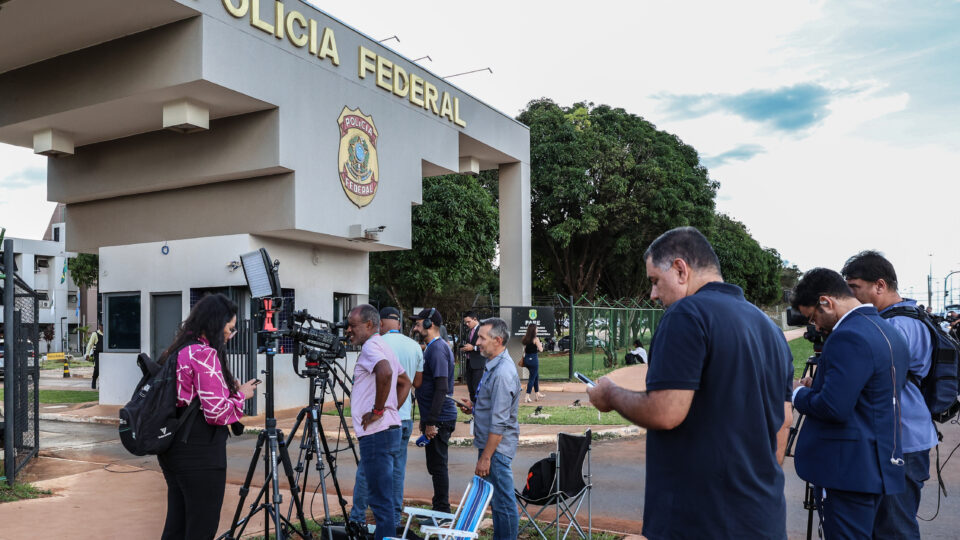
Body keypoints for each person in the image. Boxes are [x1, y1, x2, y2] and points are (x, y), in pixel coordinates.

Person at [586, 226, 793, 539]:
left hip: (700, 519)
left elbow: (665, 412)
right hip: (762, 517)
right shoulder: (769, 328)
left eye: (655, 280)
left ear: (681, 269)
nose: (653, 294)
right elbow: (783, 423)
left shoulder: (687, 313)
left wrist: (610, 394)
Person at [791, 268, 908, 539]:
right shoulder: (888, 330)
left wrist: (797, 393)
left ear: (826, 302)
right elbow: (869, 394)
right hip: (878, 464)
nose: (816, 327)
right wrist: (820, 386)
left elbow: (834, 407)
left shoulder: (847, 336)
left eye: (813, 317)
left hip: (846, 471)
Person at [842, 251, 936, 539]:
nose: (850, 295)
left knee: (894, 527)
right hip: (901, 437)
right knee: (885, 523)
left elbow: (871, 380)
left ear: (879, 285)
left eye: (855, 287)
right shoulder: (896, 320)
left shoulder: (898, 325)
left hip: (902, 441)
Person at [157, 293, 258, 540]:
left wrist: (224, 388)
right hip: (200, 452)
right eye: (230, 328)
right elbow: (216, 413)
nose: (230, 334)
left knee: (177, 526)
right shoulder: (205, 354)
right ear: (215, 323)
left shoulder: (179, 349)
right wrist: (241, 395)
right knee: (201, 527)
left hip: (173, 448)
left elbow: (190, 396)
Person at [350, 307, 424, 532]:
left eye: (353, 326)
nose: (348, 330)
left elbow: (386, 372)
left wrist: (379, 411)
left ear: (370, 325)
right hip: (389, 429)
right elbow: (405, 381)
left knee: (380, 504)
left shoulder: (372, 346)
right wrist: (391, 409)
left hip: (377, 433)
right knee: (385, 500)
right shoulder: (382, 345)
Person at [456, 317, 521, 540]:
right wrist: (475, 407)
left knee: (503, 504)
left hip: (496, 451)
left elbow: (500, 422)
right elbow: (493, 406)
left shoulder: (503, 373)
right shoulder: (493, 365)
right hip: (492, 448)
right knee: (497, 503)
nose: (478, 342)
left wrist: (486, 457)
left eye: (482, 338)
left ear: (498, 340)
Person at [409, 307, 458, 514]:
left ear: (430, 324)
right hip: (436, 416)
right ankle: (440, 508)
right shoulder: (432, 347)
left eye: (418, 323)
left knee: (438, 468)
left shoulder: (437, 349)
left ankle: (442, 511)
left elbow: (441, 387)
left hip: (440, 418)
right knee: (435, 466)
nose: (415, 326)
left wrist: (431, 422)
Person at [460, 311, 485, 404]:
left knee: (477, 389)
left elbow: (486, 345)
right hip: (469, 363)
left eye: (468, 322)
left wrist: (473, 348)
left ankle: (479, 414)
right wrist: (465, 347)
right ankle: (474, 414)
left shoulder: (482, 329)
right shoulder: (469, 331)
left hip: (478, 364)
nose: (467, 324)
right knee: (471, 389)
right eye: (465, 322)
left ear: (475, 319)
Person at [520, 323, 544, 402]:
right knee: (532, 378)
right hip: (533, 360)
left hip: (526, 359)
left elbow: (525, 349)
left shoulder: (525, 338)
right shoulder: (536, 339)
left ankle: (537, 393)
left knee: (536, 375)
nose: (538, 330)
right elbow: (541, 350)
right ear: (534, 330)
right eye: (537, 328)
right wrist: (541, 344)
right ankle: (527, 396)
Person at [86, 324, 103, 389]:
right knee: (97, 368)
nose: (103, 327)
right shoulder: (95, 334)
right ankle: (94, 380)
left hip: (105, 355)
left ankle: (101, 385)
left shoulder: (107, 333)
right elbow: (90, 344)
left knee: (104, 370)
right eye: (102, 326)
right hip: (97, 354)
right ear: (99, 327)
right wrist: (87, 354)